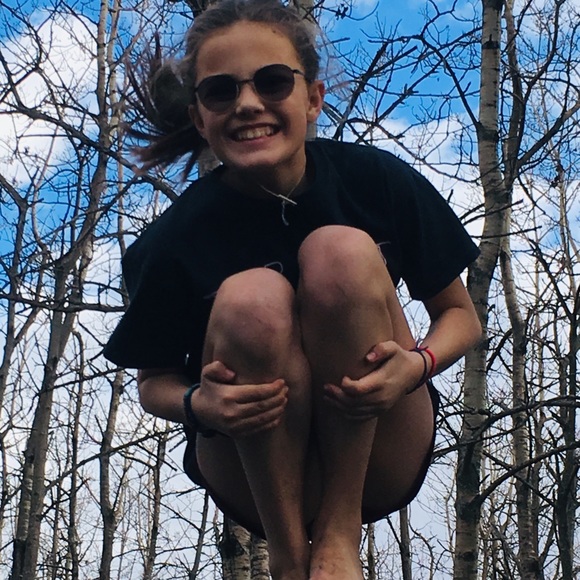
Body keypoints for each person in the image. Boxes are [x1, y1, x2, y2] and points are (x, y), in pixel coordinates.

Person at [103, 1, 482, 578]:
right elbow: (153, 384)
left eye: (273, 81)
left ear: (313, 98)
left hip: (380, 445)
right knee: (252, 298)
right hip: (251, 471)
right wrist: (196, 403)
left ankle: (339, 533)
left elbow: (460, 316)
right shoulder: (171, 243)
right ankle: (287, 556)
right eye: (221, 91)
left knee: (340, 253)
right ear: (200, 118)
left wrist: (416, 365)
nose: (247, 104)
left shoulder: (376, 182)